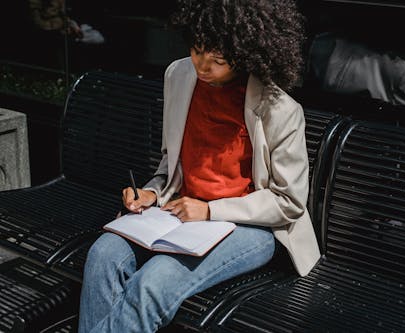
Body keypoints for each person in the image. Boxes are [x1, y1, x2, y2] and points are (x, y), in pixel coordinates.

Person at [78, 0, 321, 332]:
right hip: (179, 214)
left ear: (246, 55)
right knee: (103, 254)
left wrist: (210, 211)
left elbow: (288, 203)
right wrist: (151, 193)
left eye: (218, 60)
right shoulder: (179, 76)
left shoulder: (279, 109)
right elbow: (173, 162)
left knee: (153, 282)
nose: (203, 66)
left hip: (249, 227)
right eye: (196, 50)